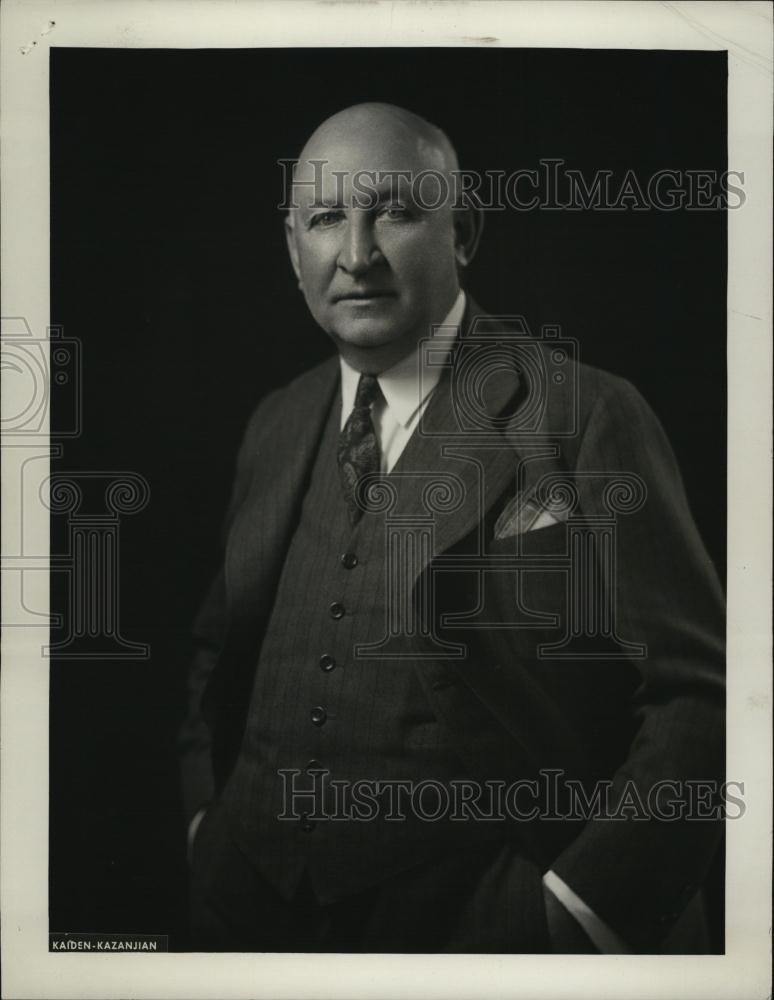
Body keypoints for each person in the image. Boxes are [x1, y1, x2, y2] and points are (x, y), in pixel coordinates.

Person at [179, 102, 725, 953]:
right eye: (325, 219)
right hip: (246, 913)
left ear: (463, 232)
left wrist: (581, 908)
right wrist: (203, 825)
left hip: (489, 923)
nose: (356, 255)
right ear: (294, 252)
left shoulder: (588, 413)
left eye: (395, 211)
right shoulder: (276, 422)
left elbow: (702, 695)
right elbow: (217, 656)